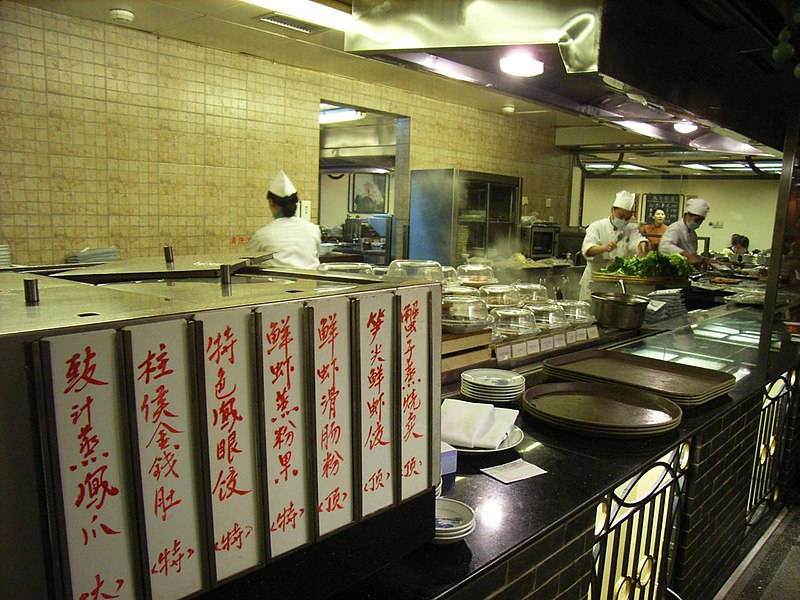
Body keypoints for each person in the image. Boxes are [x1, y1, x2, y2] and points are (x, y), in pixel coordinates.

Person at [578, 190, 649, 301]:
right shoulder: (597, 227)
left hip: (618, 285)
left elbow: (637, 241)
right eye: (621, 216)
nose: (624, 220)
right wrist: (603, 248)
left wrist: (642, 244)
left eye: (627, 218)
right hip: (594, 283)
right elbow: (588, 249)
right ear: (612, 210)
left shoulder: (630, 229)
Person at [246, 170, 322, 269]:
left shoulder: (262, 235)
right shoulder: (313, 230)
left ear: (271, 202)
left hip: (276, 284)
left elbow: (247, 262)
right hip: (311, 283)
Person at [659, 197, 710, 267]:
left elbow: (692, 254)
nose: (698, 223)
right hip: (673, 269)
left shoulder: (692, 233)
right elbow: (665, 246)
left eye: (701, 221)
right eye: (696, 220)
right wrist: (686, 255)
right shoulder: (675, 228)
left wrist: (703, 260)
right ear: (687, 215)